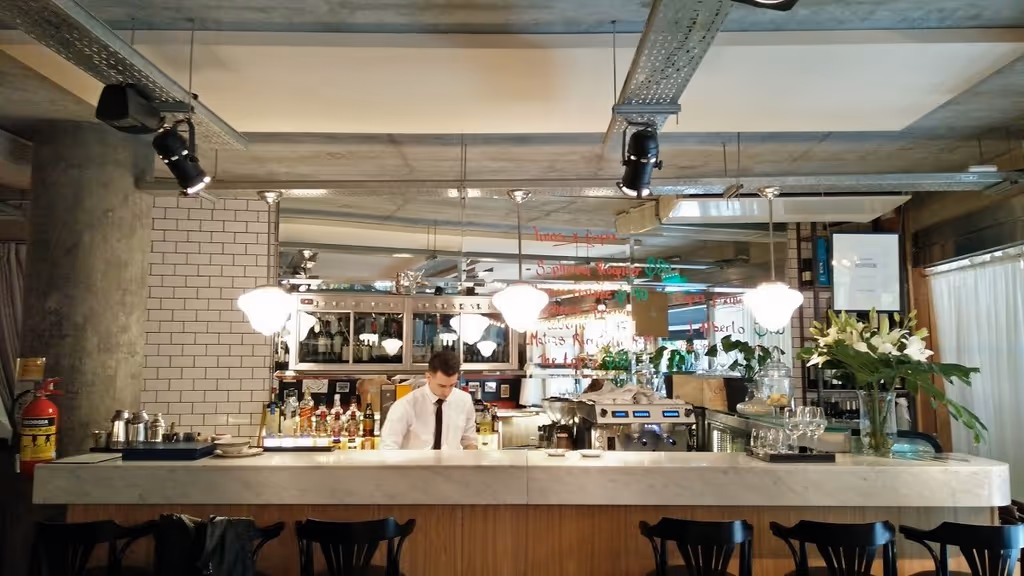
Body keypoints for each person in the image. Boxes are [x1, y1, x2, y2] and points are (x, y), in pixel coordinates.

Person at [380, 351, 478, 450]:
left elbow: (469, 441)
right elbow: (388, 447)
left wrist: (472, 454)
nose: (447, 392)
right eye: (442, 386)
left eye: (452, 385)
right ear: (428, 377)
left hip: (452, 460)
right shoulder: (405, 405)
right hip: (416, 460)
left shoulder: (464, 400)